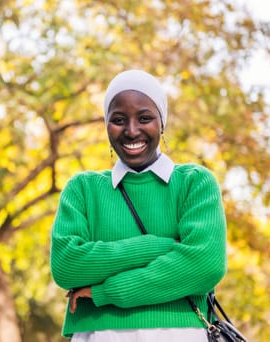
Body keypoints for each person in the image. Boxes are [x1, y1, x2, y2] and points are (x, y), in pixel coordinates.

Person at [49, 69, 228, 341]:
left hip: (179, 334)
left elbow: (206, 266)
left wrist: (106, 292)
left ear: (162, 122)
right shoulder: (82, 189)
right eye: (118, 120)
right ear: (106, 125)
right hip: (98, 334)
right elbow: (66, 266)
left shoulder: (195, 183)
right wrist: (163, 245)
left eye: (145, 118)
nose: (132, 131)